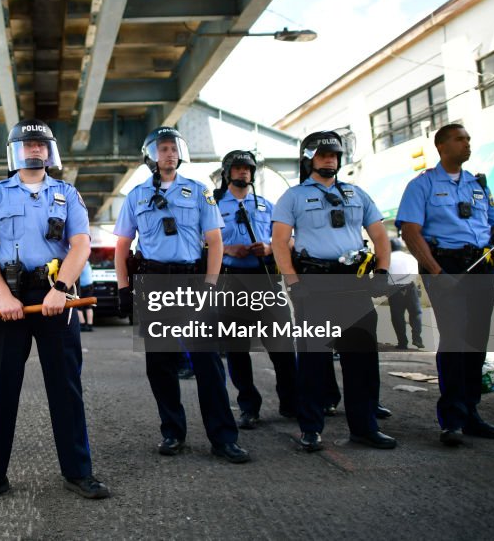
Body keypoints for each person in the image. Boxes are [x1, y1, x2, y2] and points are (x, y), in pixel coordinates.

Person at [0, 119, 109, 504]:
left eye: (41, 144)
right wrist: (3, 297)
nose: (35, 149)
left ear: (50, 151)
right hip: (7, 297)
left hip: (54, 298)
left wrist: (60, 289)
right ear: (15, 151)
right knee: (0, 391)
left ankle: (79, 472)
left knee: (66, 388)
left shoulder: (67, 194)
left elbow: (80, 246)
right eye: (27, 143)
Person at [114, 127, 250, 463]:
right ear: (151, 155)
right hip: (154, 284)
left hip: (193, 282)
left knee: (208, 365)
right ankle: (172, 432)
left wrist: (211, 284)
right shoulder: (136, 196)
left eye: (173, 148)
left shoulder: (199, 191)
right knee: (159, 365)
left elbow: (215, 242)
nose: (169, 154)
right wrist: (123, 289)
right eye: (162, 149)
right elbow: (122, 246)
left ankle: (223, 438)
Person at [272, 131, 397, 452]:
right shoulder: (293, 197)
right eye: (323, 154)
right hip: (314, 287)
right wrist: (293, 282)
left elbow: (380, 236)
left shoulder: (357, 194)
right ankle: (311, 428)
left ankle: (365, 427)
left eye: (334, 154)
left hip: (354, 287)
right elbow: (279, 242)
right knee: (314, 362)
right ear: (309, 158)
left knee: (363, 363)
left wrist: (382, 270)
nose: (330, 159)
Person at [397, 123, 494, 446]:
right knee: (455, 339)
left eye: (468, 139)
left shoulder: (477, 184)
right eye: (460, 139)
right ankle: (451, 419)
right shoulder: (423, 185)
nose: (467, 144)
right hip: (445, 266)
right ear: (441, 147)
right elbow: (410, 231)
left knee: (476, 340)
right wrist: (435, 272)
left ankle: (471, 412)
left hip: (480, 265)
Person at [213, 150, 298, 428]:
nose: (243, 173)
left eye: (248, 169)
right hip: (231, 279)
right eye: (238, 168)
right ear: (228, 173)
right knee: (237, 350)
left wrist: (270, 248)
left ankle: (290, 402)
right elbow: (200, 243)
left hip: (265, 279)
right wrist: (228, 249)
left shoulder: (268, 205)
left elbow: (290, 241)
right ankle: (249, 406)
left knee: (282, 346)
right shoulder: (212, 206)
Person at [387, 237, 424, 349]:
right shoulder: (410, 257)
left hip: (394, 291)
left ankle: (402, 343)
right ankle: (417, 338)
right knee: (416, 313)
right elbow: (416, 273)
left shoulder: (386, 258)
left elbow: (382, 276)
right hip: (411, 288)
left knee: (397, 317)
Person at [77, 261, 94, 332]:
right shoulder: (87, 262)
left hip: (82, 286)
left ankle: (82, 324)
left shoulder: (80, 262)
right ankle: (90, 325)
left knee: (78, 306)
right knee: (88, 306)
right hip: (90, 285)